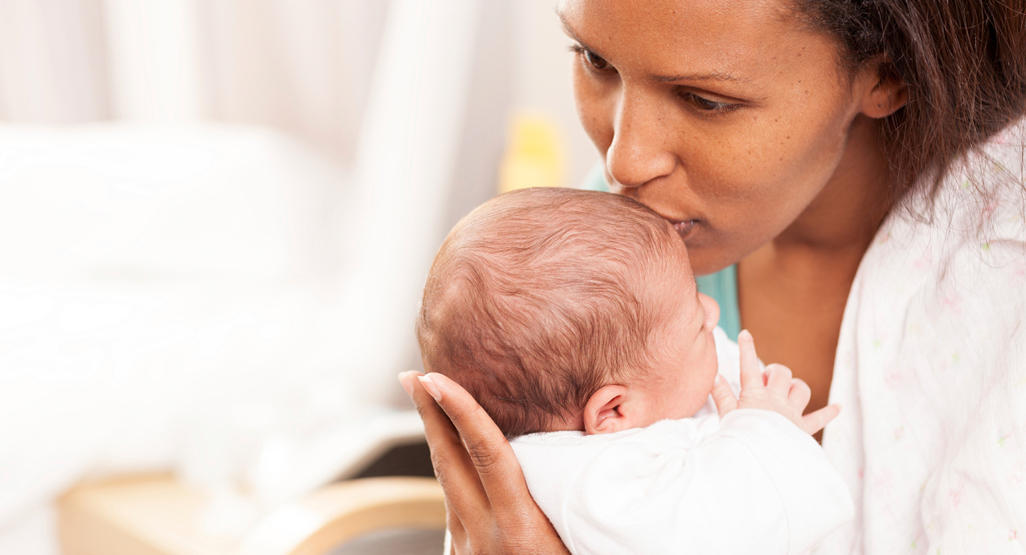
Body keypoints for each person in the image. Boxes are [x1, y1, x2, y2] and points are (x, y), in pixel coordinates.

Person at [399, 0, 1026, 552]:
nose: (624, 159)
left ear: (888, 75)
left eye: (705, 100)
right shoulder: (612, 264)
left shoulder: (996, 285)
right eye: (594, 59)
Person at [415, 186, 852, 553]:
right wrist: (766, 430)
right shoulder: (591, 486)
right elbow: (723, 531)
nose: (713, 311)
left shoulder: (616, 404)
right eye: (698, 325)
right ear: (613, 410)